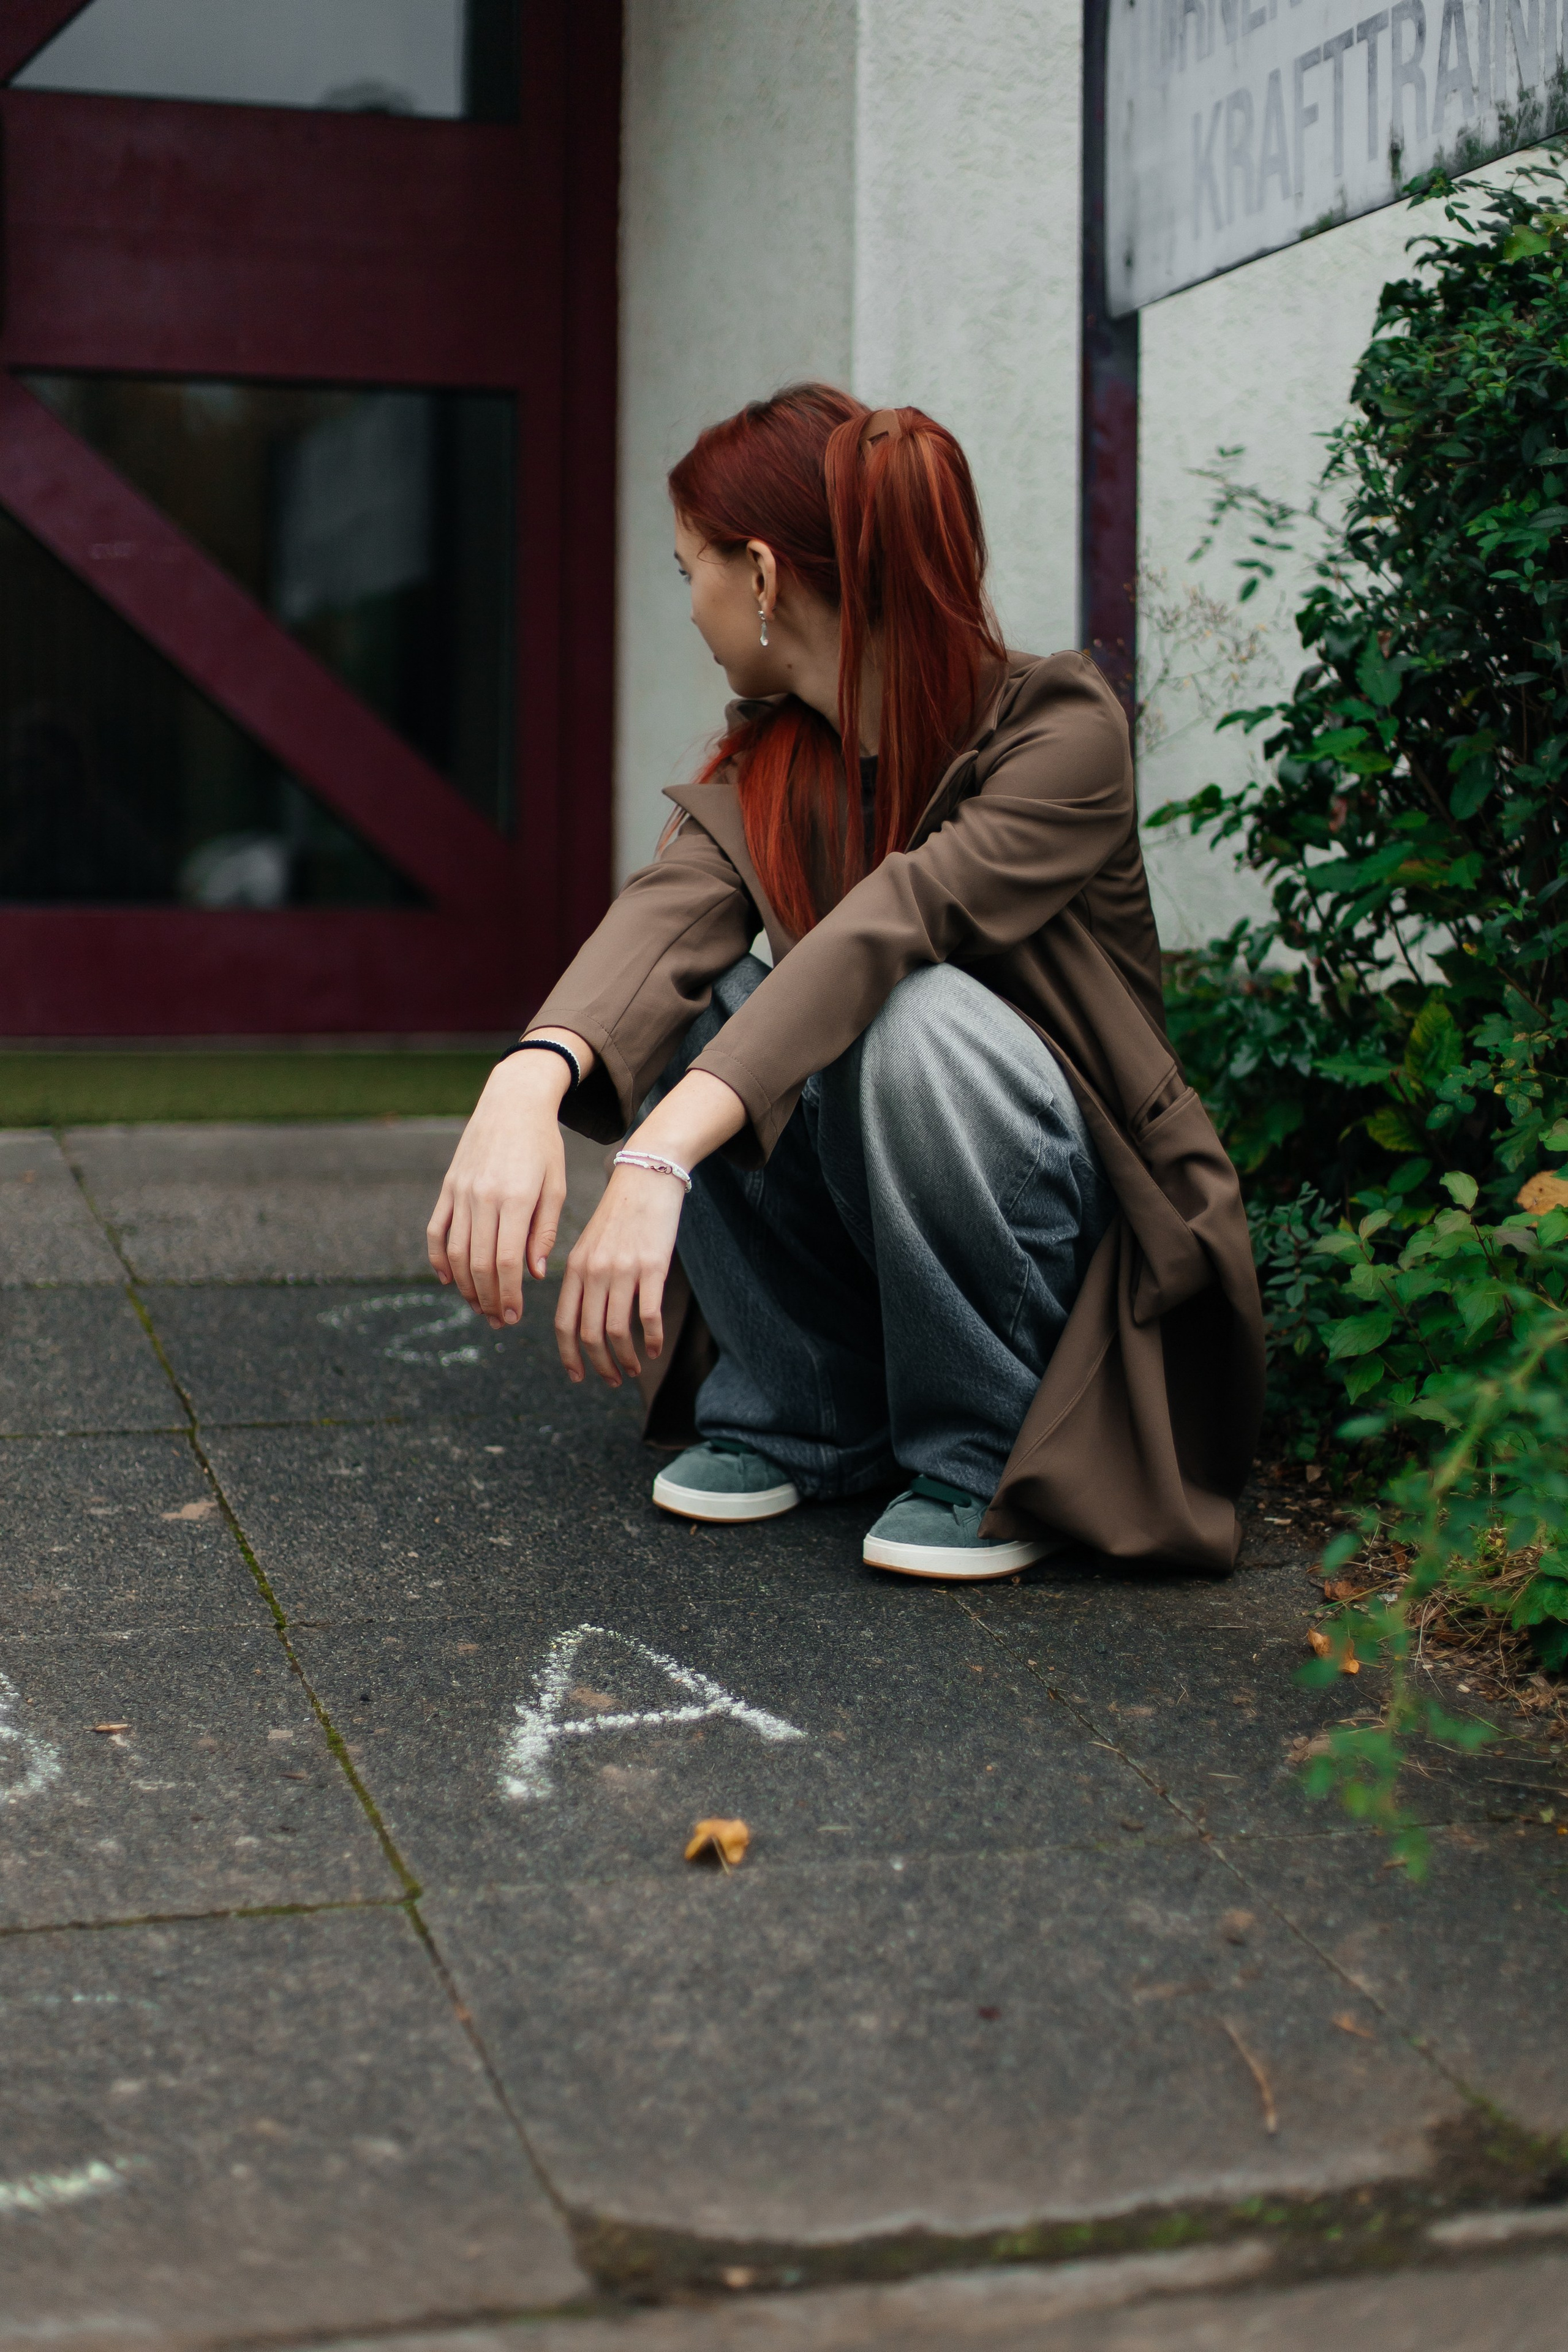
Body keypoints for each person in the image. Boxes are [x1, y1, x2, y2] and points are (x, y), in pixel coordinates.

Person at [428, 385, 1264, 1580]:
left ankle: (989, 1448)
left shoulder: (1053, 728)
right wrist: (528, 1078)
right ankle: (807, 1415)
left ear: (760, 576)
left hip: (1069, 1231)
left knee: (906, 1014)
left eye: (689, 574)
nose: (691, 608)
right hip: (887, 1196)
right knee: (684, 1010)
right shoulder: (774, 755)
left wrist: (658, 1154)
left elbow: (890, 926)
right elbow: (666, 923)